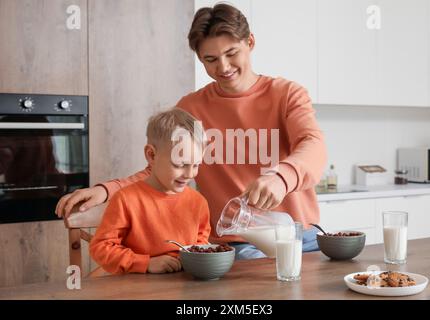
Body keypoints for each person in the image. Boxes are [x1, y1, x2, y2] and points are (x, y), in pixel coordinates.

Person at [56, 4, 327, 259]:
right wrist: (107, 190)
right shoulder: (192, 108)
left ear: (250, 43)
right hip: (240, 243)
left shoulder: (286, 94)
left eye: (232, 53)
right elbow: (160, 169)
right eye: (210, 59)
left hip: (302, 235)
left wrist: (282, 178)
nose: (223, 67)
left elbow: (313, 145)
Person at [89, 108, 211, 274]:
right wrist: (145, 263)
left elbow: (200, 242)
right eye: (180, 164)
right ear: (151, 155)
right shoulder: (126, 199)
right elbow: (101, 248)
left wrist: (193, 258)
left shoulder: (198, 202)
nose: (190, 174)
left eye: (196, 165)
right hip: (136, 289)